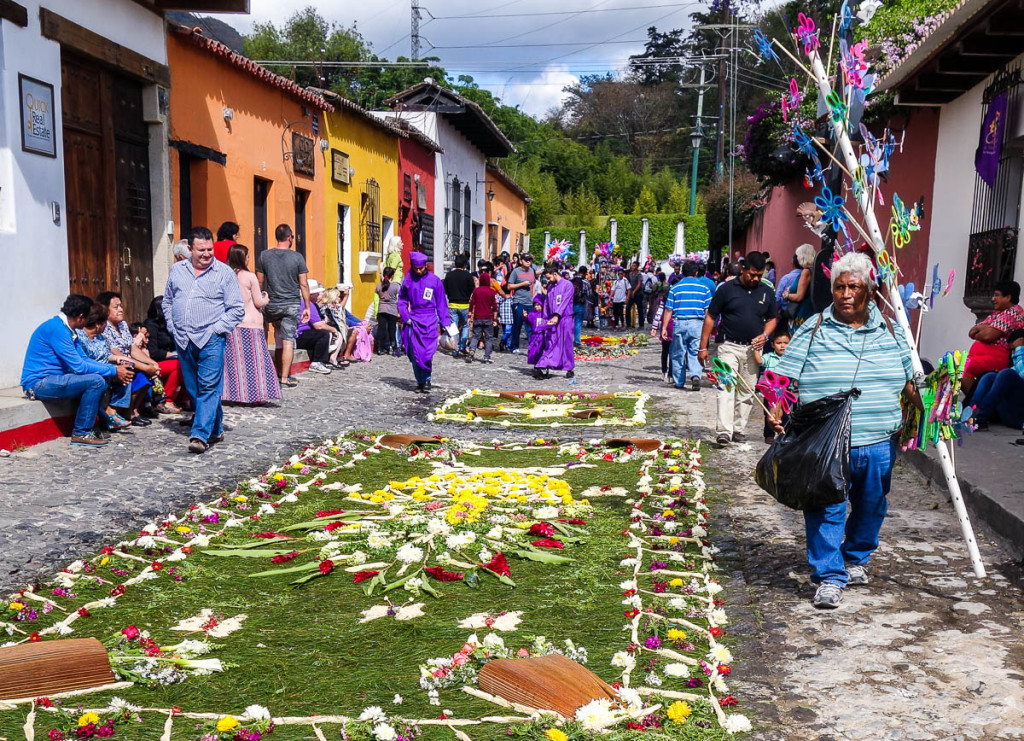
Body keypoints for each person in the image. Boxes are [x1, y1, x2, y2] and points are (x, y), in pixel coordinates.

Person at [769, 252, 919, 609]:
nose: (845, 294)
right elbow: (783, 375)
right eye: (839, 287)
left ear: (869, 289)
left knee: (871, 505)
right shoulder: (814, 326)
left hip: (878, 438)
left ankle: (855, 556)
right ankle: (829, 576)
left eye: (853, 286)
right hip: (823, 440)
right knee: (825, 506)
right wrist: (776, 407)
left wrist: (930, 405)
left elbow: (909, 382)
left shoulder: (893, 330)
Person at [162, 226, 245, 454]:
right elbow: (167, 301)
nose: (207, 254)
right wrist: (172, 325)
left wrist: (217, 330)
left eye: (210, 249)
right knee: (194, 387)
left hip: (211, 338)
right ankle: (216, 428)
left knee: (208, 386)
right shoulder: (177, 270)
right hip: (183, 338)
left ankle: (199, 434)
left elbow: (236, 309)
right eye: (201, 250)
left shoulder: (224, 273)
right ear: (190, 249)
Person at [21, 295, 133, 446]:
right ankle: (81, 433)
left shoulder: (68, 330)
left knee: (96, 378)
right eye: (87, 318)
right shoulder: (58, 329)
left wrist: (114, 369)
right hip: (38, 384)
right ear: (80, 317)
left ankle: (101, 422)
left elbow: (84, 360)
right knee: (96, 381)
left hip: (54, 380)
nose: (88, 322)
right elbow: (79, 367)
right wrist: (113, 370)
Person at [699, 251, 777, 445]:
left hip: (753, 349)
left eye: (759, 275)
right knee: (726, 387)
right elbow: (711, 316)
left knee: (748, 390)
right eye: (752, 274)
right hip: (728, 346)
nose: (755, 278)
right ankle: (724, 430)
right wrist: (703, 346)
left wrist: (765, 335)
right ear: (743, 269)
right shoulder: (726, 289)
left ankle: (739, 428)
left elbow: (773, 318)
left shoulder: (766, 291)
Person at [222, 244, 281, 404]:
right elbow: (258, 301)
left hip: (233, 324)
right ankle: (255, 396)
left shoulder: (225, 275)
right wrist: (266, 297)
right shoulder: (249, 277)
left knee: (235, 363)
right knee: (255, 363)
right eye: (247, 256)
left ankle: (233, 395)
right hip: (251, 324)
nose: (249, 259)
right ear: (242, 258)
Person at [256, 224, 310, 389]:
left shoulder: (264, 256)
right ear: (289, 237)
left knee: (265, 337)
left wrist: (259, 299)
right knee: (287, 341)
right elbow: (304, 284)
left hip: (270, 303)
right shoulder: (297, 258)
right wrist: (307, 306)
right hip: (290, 305)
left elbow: (259, 281)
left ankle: (263, 373)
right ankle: (284, 378)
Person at [96, 291, 158, 425]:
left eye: (121, 306)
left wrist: (152, 363)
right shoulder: (104, 327)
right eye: (116, 307)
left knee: (148, 375)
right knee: (135, 373)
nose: (121, 309)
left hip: (130, 361)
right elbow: (117, 354)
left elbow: (132, 348)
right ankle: (121, 412)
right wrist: (145, 367)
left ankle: (133, 411)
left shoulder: (122, 325)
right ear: (105, 309)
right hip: (116, 363)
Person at [398, 251, 450, 393]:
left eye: (421, 268)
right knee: (414, 353)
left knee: (427, 353)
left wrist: (446, 323)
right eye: (416, 268)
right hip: (413, 321)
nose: (419, 271)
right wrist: (405, 316)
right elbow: (402, 301)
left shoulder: (435, 281)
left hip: (430, 321)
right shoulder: (408, 281)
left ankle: (427, 379)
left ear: (426, 266)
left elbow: (442, 304)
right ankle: (420, 381)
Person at [961, 281, 1024, 398]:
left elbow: (987, 336)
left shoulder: (1013, 312)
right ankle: (975, 401)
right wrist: (988, 328)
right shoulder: (998, 313)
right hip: (984, 357)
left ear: (1008, 297)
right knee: (959, 367)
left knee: (961, 368)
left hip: (1000, 357)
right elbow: (971, 332)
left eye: (996, 295)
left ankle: (975, 403)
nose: (993, 299)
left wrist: (984, 329)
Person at [667, 260, 713, 391]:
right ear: (696, 272)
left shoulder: (675, 288)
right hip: (697, 324)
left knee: (678, 353)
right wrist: (708, 329)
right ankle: (695, 375)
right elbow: (707, 311)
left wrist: (664, 328)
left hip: (679, 322)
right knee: (695, 351)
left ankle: (679, 381)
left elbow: (669, 309)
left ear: (682, 273)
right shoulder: (704, 288)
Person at [971, 329, 1024, 429]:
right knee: (990, 376)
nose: (1013, 354)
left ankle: (980, 419)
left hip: (1021, 418)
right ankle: (971, 415)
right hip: (1011, 413)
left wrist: (1020, 349)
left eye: (1014, 350)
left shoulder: (1020, 353)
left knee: (1006, 374)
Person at [535, 262, 576, 380]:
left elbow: (565, 302)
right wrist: (544, 319)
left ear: (555, 273)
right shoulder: (551, 287)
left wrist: (557, 315)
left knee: (566, 343)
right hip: (552, 319)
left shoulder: (568, 285)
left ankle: (569, 367)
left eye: (549, 277)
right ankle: (544, 364)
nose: (548, 280)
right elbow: (547, 303)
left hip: (565, 319)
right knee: (551, 342)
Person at [144, 297, 184, 414]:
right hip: (155, 362)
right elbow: (154, 352)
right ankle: (167, 400)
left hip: (170, 360)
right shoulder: (151, 325)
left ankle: (184, 398)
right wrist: (173, 354)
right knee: (180, 364)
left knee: (189, 363)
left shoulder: (168, 325)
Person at [296, 279, 340, 374]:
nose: (319, 295)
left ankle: (322, 361)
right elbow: (318, 326)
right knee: (323, 334)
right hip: (300, 335)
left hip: (298, 335)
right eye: (317, 293)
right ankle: (317, 362)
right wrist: (333, 329)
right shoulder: (308, 304)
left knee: (321, 334)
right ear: (311, 294)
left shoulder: (304, 302)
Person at [756, 332, 790, 444]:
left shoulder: (791, 359)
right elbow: (759, 361)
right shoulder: (769, 357)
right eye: (779, 343)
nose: (782, 346)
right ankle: (769, 435)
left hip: (785, 392)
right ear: (772, 345)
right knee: (769, 414)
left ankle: (784, 434)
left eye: (785, 343)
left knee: (786, 413)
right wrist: (755, 349)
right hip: (770, 393)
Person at [443, 253, 475, 357]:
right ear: (465, 265)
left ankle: (455, 349)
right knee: (466, 325)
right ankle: (462, 345)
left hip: (452, 304)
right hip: (465, 305)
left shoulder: (449, 275)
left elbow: (445, 289)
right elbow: (472, 289)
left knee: (454, 327)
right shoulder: (468, 276)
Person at [466, 270, 499, 364]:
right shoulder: (492, 292)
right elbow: (495, 307)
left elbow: (471, 304)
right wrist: (495, 319)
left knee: (476, 336)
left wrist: (469, 317)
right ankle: (486, 357)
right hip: (488, 318)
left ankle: (472, 350)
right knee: (488, 338)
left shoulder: (476, 291)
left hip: (477, 317)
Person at [781, 243, 817, 329]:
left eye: (798, 255)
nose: (797, 258)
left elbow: (799, 296)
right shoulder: (814, 270)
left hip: (801, 312)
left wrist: (786, 296)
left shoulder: (806, 272)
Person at [507, 252, 537, 353]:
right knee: (517, 324)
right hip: (518, 301)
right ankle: (514, 346)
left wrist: (533, 298)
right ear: (521, 261)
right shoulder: (516, 272)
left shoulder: (532, 271)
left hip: (529, 302)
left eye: (530, 260)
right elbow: (509, 286)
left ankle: (532, 346)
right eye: (526, 260)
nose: (528, 262)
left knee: (531, 326)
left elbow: (533, 285)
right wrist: (522, 284)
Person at [375, 266, 401, 356]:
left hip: (381, 310)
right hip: (392, 310)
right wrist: (399, 312)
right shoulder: (396, 286)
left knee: (381, 329)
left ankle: (379, 348)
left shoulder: (378, 286)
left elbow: (376, 301)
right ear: (392, 276)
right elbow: (399, 300)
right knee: (392, 330)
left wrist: (376, 313)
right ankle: (394, 348)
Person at [572, 267, 589, 347]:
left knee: (569, 322)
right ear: (585, 273)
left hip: (571, 304)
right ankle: (577, 341)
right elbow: (589, 293)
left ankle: (567, 340)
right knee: (578, 323)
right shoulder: (585, 282)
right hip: (580, 304)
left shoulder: (572, 280)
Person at [626, 261, 645, 330]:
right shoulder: (630, 274)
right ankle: (628, 324)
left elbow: (639, 284)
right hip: (631, 292)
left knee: (640, 309)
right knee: (628, 308)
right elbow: (629, 283)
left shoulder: (639, 274)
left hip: (638, 293)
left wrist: (634, 292)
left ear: (637, 267)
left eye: (634, 266)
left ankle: (641, 325)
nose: (632, 267)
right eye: (632, 265)